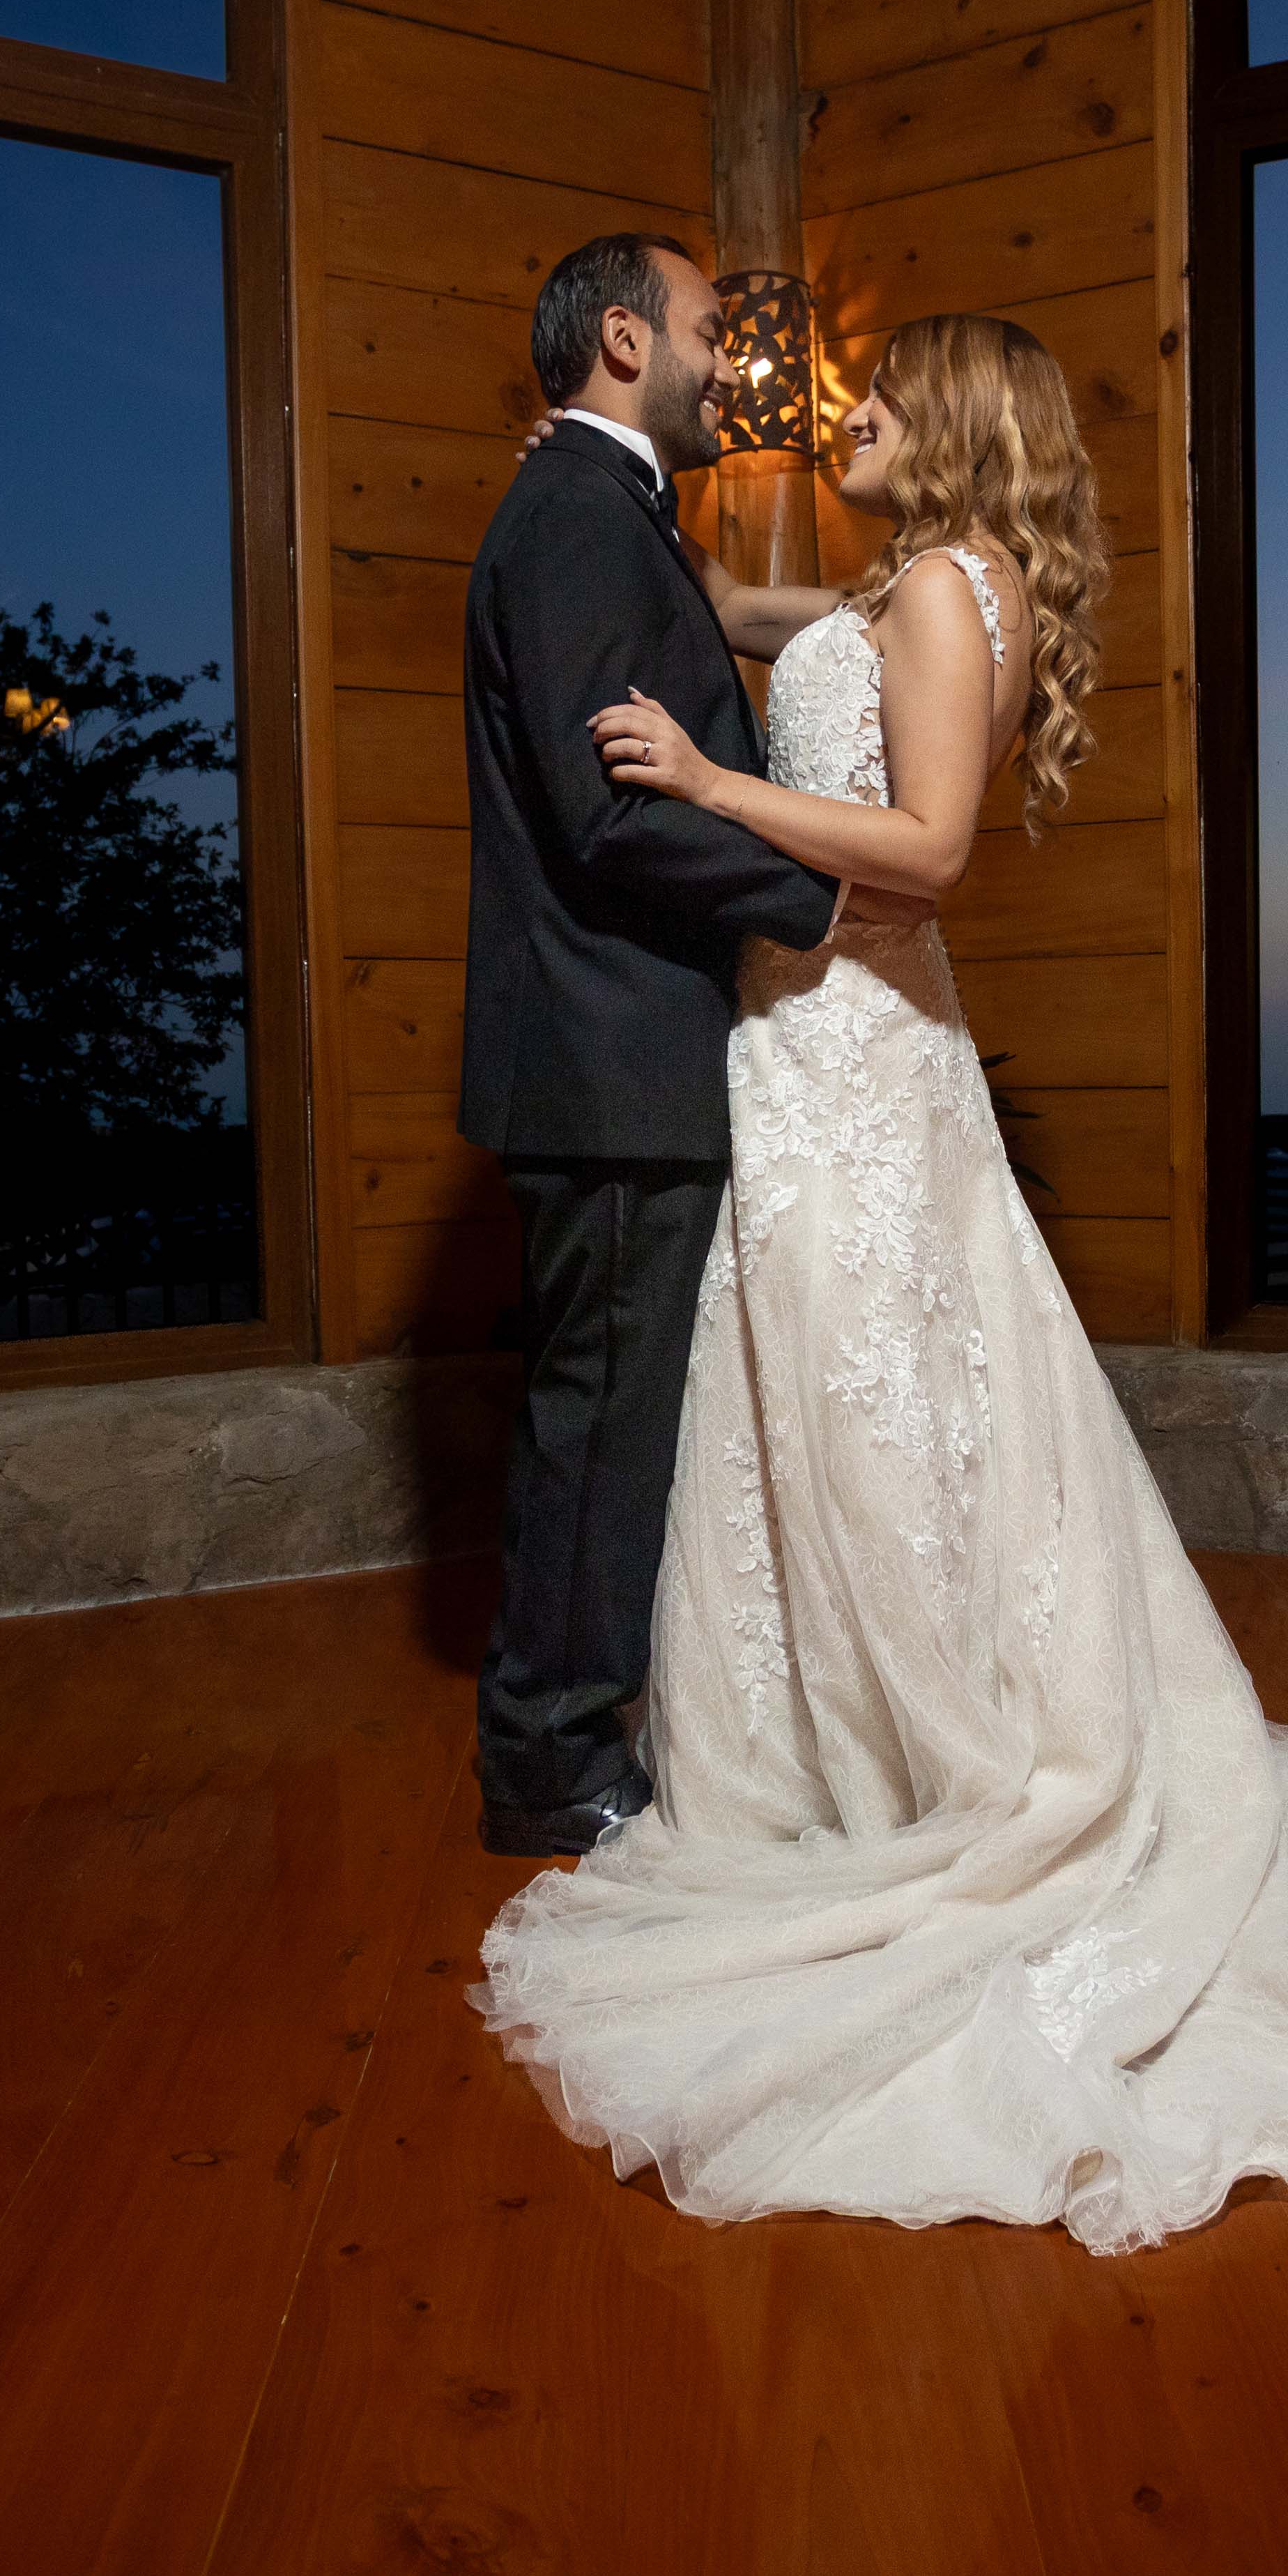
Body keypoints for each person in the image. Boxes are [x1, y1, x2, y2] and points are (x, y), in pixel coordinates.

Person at [475, 312, 1288, 2255]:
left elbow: (935, 849)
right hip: (790, 1060)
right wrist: (609, 502)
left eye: (879, 400)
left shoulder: (953, 597)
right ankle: (820, 1752)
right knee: (813, 1410)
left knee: (897, 1419)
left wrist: (707, 788)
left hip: (866, 1056)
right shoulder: (904, 583)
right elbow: (721, 587)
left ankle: (950, 1764)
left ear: (957, 432)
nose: (844, 413)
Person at [457, 234, 925, 1859]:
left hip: (628, 1048)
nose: (736, 366)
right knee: (599, 1417)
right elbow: (605, 810)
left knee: (621, 1411)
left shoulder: (609, 507)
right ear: (622, 338)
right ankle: (550, 1760)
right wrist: (815, 890)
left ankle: (584, 1727)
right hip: (606, 1055)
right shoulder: (579, 515)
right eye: (716, 337)